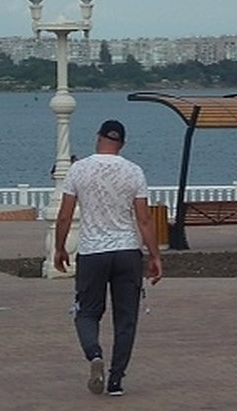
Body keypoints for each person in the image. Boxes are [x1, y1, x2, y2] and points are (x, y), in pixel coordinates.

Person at [54, 119, 163, 398]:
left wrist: (60, 248)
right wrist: (154, 255)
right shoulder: (134, 171)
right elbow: (144, 219)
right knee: (126, 318)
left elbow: (65, 215)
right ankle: (116, 380)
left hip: (92, 252)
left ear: (98, 137)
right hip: (127, 252)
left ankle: (94, 355)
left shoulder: (79, 169)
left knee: (87, 312)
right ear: (122, 144)